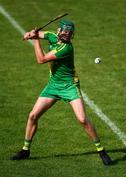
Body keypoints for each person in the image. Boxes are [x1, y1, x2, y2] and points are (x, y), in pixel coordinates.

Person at [11, 20, 112, 165]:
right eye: (64, 31)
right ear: (59, 31)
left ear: (71, 36)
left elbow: (41, 59)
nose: (66, 34)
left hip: (70, 86)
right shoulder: (52, 36)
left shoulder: (67, 48)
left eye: (69, 33)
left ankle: (101, 151)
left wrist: (35, 40)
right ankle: (25, 150)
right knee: (33, 115)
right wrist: (31, 34)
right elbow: (40, 33)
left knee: (82, 119)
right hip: (53, 86)